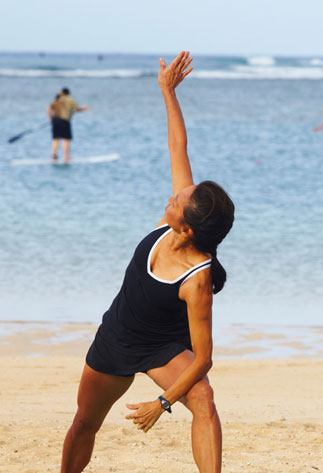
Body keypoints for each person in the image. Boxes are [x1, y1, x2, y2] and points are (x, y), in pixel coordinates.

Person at [60, 51, 235, 473]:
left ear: (188, 228)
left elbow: (204, 357)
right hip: (118, 336)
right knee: (85, 421)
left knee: (204, 398)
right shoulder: (170, 225)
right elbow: (178, 144)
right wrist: (167, 91)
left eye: (180, 200)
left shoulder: (198, 279)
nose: (175, 195)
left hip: (164, 348)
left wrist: (163, 402)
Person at [48, 87, 89, 163]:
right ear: (68, 93)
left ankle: (54, 156)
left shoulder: (57, 99)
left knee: (56, 138)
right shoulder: (70, 99)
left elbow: (49, 109)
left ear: (62, 92)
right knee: (66, 139)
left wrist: (51, 119)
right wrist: (84, 109)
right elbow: (77, 109)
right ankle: (66, 157)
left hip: (55, 120)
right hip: (64, 121)